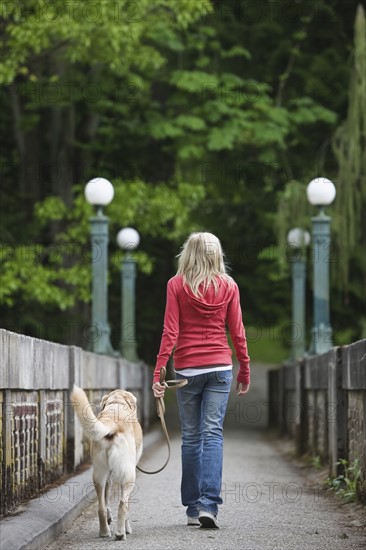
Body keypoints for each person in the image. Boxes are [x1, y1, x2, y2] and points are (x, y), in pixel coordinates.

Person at [152, 232, 250, 529]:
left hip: (187, 372)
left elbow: (170, 331)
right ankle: (210, 505)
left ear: (189, 253)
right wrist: (244, 367)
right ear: (216, 254)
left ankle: (193, 507)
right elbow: (238, 331)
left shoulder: (176, 285)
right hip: (220, 367)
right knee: (213, 435)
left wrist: (159, 372)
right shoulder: (229, 285)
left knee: (192, 438)